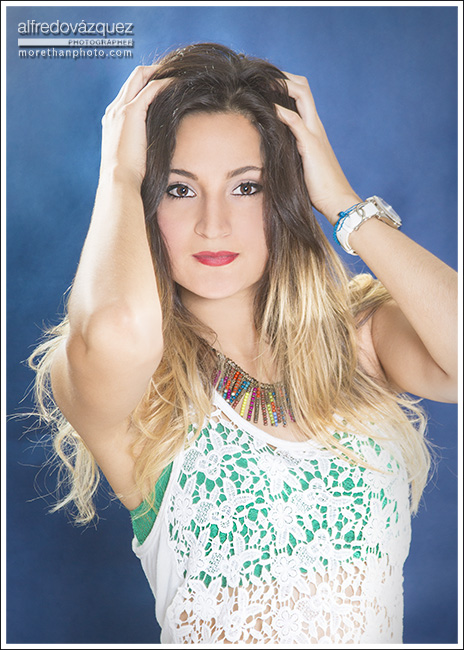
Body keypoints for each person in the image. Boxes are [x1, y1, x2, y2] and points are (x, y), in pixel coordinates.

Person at [29, 43, 457, 644]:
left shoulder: (360, 339)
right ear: (145, 203)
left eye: (247, 186)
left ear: (285, 194)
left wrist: (342, 203)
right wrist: (119, 174)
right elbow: (116, 327)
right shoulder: (142, 392)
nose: (214, 224)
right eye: (179, 190)